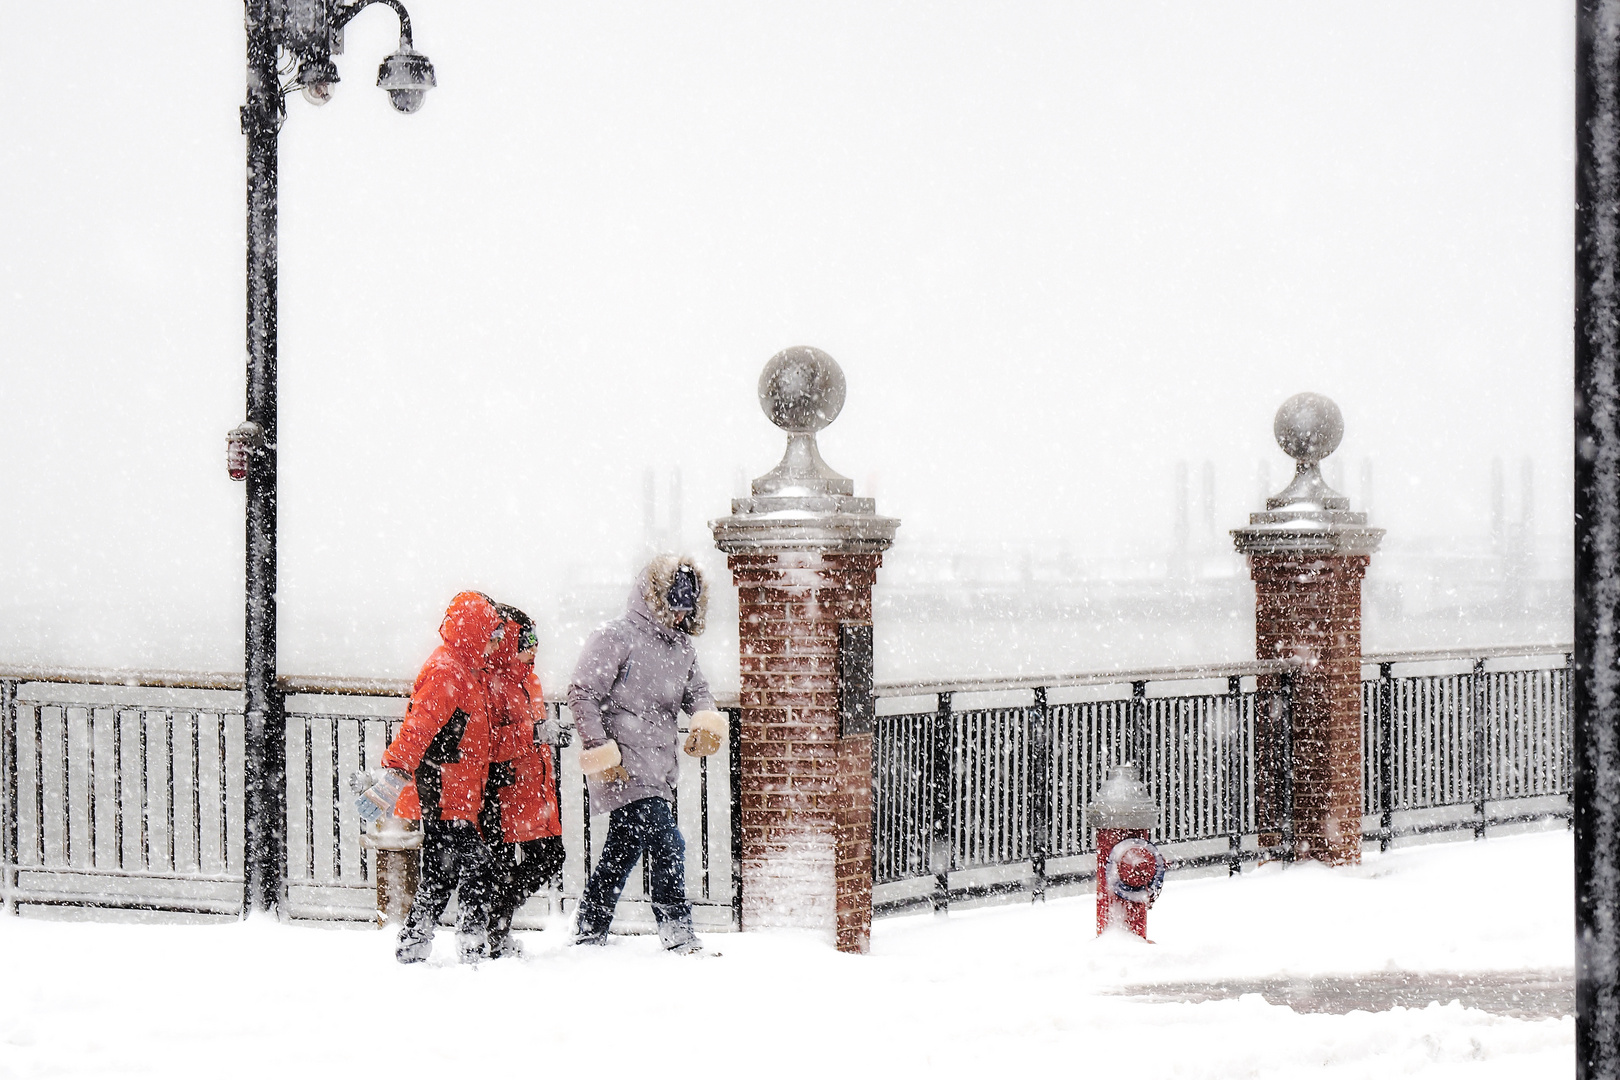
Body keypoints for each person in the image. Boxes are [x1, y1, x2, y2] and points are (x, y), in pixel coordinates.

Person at [567, 554, 729, 953]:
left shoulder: (682, 648)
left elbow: (698, 692)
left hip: (660, 766)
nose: (679, 616)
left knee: (622, 849)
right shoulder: (616, 637)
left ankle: (590, 925)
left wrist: (705, 718)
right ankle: (678, 930)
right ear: (655, 599)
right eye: (674, 607)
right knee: (669, 842)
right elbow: (582, 693)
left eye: (686, 609)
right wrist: (598, 747)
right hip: (622, 765)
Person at [375, 591, 508, 964]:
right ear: (475, 630)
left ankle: (415, 944)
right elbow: (419, 726)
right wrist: (397, 768)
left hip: (456, 794)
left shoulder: (465, 671)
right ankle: (470, 941)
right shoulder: (448, 671)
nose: (495, 643)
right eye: (492, 634)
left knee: (441, 873)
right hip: (441, 793)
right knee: (478, 862)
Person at [484, 604, 566, 959]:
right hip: (502, 792)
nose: (534, 647)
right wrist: (533, 733)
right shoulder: (491, 682)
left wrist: (545, 736)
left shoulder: (530, 681)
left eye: (535, 640)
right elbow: (485, 742)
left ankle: (495, 923)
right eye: (526, 640)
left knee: (550, 856)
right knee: (499, 868)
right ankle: (493, 934)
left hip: (534, 789)